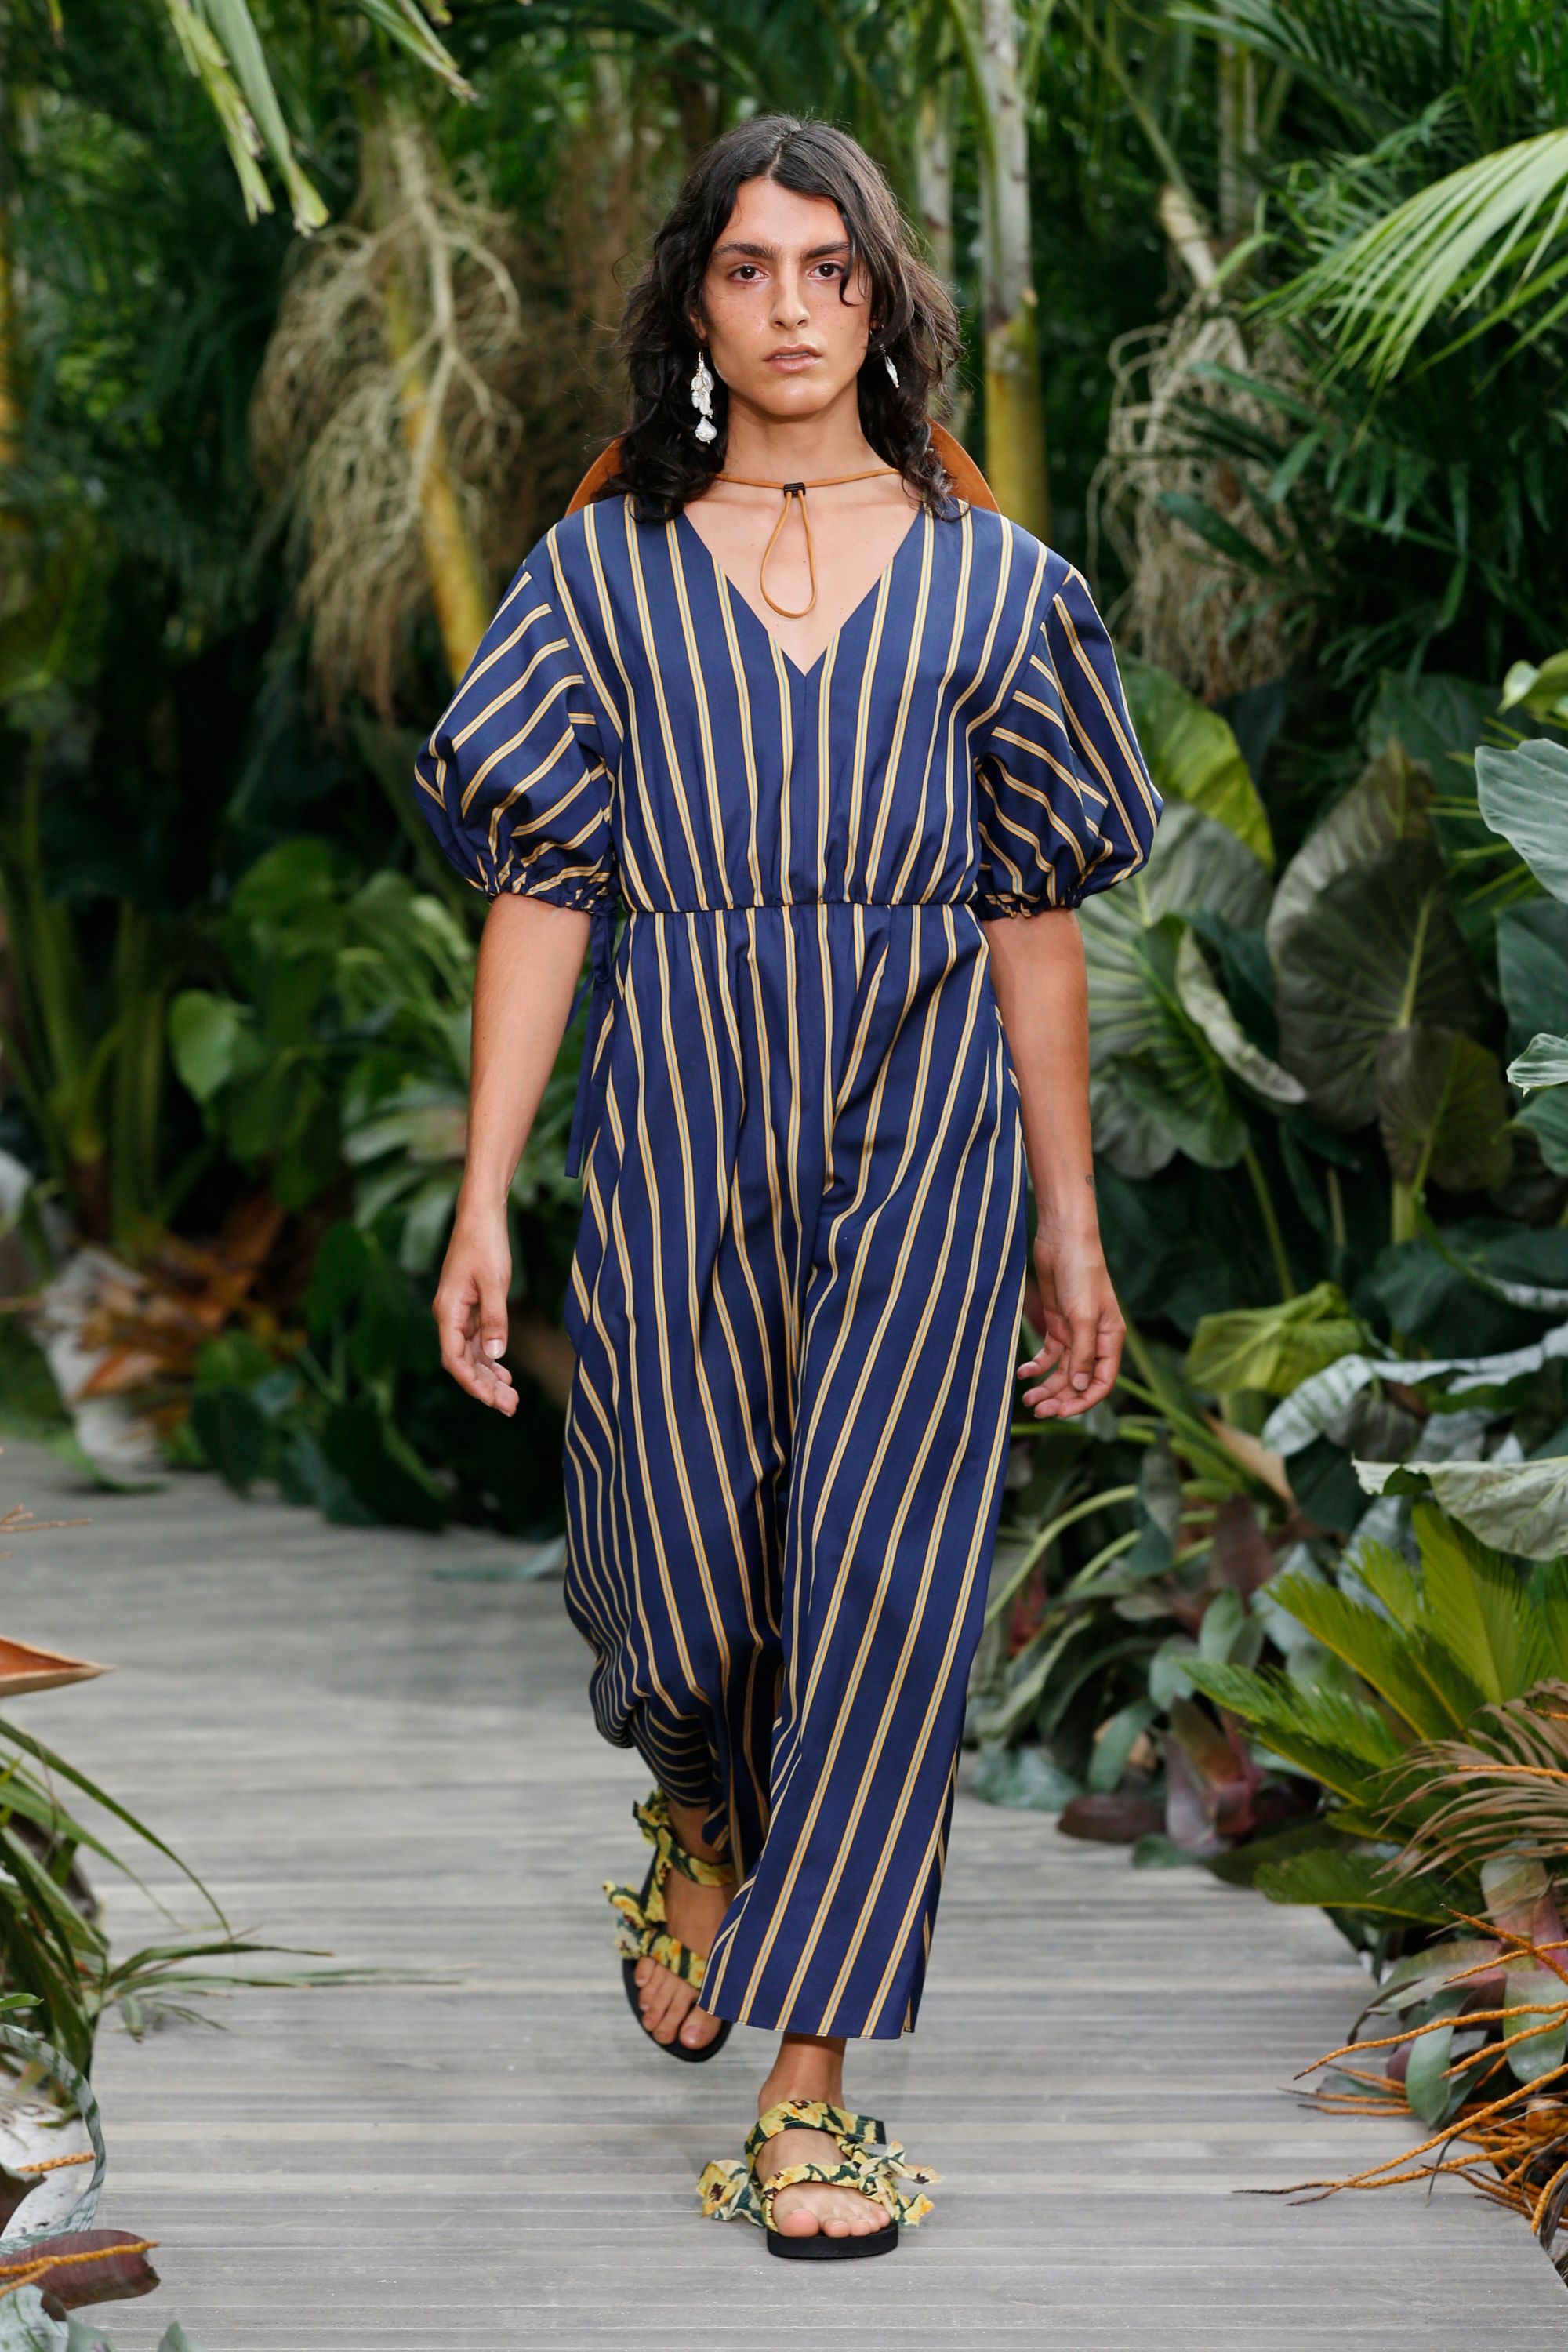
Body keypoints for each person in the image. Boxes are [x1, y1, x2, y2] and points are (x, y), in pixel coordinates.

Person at [414, 113, 1160, 2260]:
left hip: (926, 1130)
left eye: (833, 271)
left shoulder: (1001, 585)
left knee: (884, 1585)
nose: (794, 309)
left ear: (886, 303)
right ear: (692, 308)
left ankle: (811, 2090)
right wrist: (482, 1196)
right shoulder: (600, 575)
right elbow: (542, 894)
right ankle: (695, 1801)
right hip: (674, 1114)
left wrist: (1070, 1223)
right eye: (749, 269)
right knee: (674, 1561)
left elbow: (1035, 919)